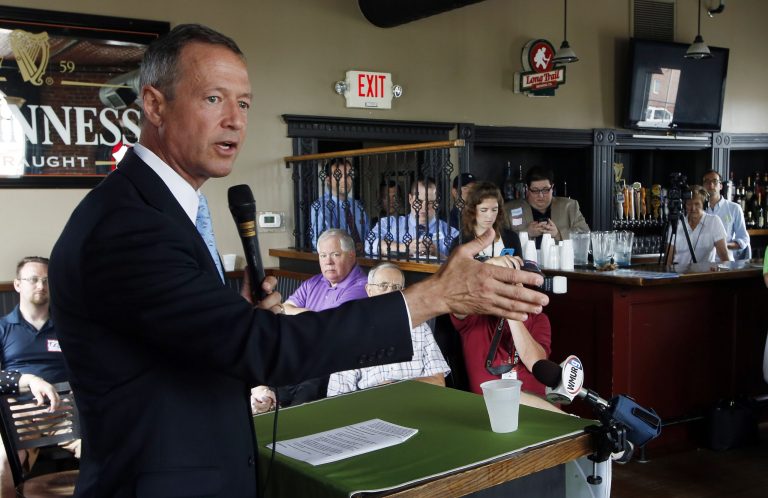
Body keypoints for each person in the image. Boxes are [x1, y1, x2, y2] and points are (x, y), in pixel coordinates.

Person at [48, 24, 549, 497]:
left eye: (244, 103)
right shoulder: (129, 224)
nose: (236, 120)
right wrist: (433, 295)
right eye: (214, 99)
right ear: (155, 105)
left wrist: (235, 313)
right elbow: (261, 349)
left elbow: (193, 343)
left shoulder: (163, 208)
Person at [255, 229, 369, 407]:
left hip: (327, 367)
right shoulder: (313, 282)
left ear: (351, 255)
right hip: (298, 359)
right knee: (262, 395)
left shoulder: (362, 286)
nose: (328, 261)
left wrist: (301, 314)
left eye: (335, 254)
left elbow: (329, 326)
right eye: (323, 255)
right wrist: (314, 317)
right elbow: (284, 308)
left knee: (297, 411)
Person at [0, 257, 77, 497]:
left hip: (65, 410)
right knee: (2, 464)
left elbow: (88, 367)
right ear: (17, 284)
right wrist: (29, 380)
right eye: (33, 279)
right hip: (19, 414)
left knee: (107, 452)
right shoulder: (2, 328)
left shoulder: (69, 327)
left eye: (46, 280)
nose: (41, 286)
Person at [327, 263, 450, 396]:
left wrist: (397, 386)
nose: (390, 293)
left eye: (396, 288)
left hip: (416, 402)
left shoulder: (421, 328)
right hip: (371, 404)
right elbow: (338, 395)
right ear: (369, 290)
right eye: (383, 286)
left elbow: (438, 382)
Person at [450, 255, 551, 397]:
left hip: (536, 402)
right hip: (493, 402)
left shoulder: (538, 319)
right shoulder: (475, 314)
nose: (521, 289)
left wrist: (511, 307)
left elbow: (536, 363)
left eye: (525, 284)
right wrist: (485, 269)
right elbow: (455, 297)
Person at [367, 177, 459, 258]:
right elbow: (369, 244)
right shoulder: (389, 224)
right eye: (419, 201)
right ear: (410, 199)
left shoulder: (452, 233)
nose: (424, 208)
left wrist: (438, 254)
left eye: (430, 202)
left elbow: (460, 264)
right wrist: (404, 247)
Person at [505, 166, 589, 247]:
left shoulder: (569, 207)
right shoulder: (509, 210)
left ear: (552, 187)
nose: (541, 195)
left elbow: (585, 234)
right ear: (527, 189)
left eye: (545, 190)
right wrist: (526, 233)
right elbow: (500, 239)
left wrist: (558, 234)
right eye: (535, 190)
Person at [449, 181, 523, 259]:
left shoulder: (512, 237)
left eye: (494, 210)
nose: (489, 215)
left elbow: (519, 265)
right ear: (473, 210)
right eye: (484, 210)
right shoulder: (461, 242)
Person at [309, 158, 370, 252]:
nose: (345, 180)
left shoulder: (357, 206)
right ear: (328, 180)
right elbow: (319, 243)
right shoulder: (320, 207)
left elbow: (369, 236)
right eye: (339, 175)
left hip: (363, 258)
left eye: (348, 175)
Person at [665, 185, 732, 265]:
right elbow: (668, 259)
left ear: (704, 204)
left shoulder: (714, 222)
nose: (693, 208)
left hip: (706, 272)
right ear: (684, 205)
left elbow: (724, 256)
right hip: (680, 272)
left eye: (697, 204)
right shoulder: (676, 224)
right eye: (689, 204)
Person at [702, 170, 751, 260]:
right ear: (703, 186)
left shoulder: (734, 208)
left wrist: (723, 245)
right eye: (707, 181)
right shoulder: (698, 209)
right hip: (703, 262)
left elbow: (744, 239)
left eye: (715, 181)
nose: (711, 185)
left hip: (726, 262)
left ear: (720, 186)